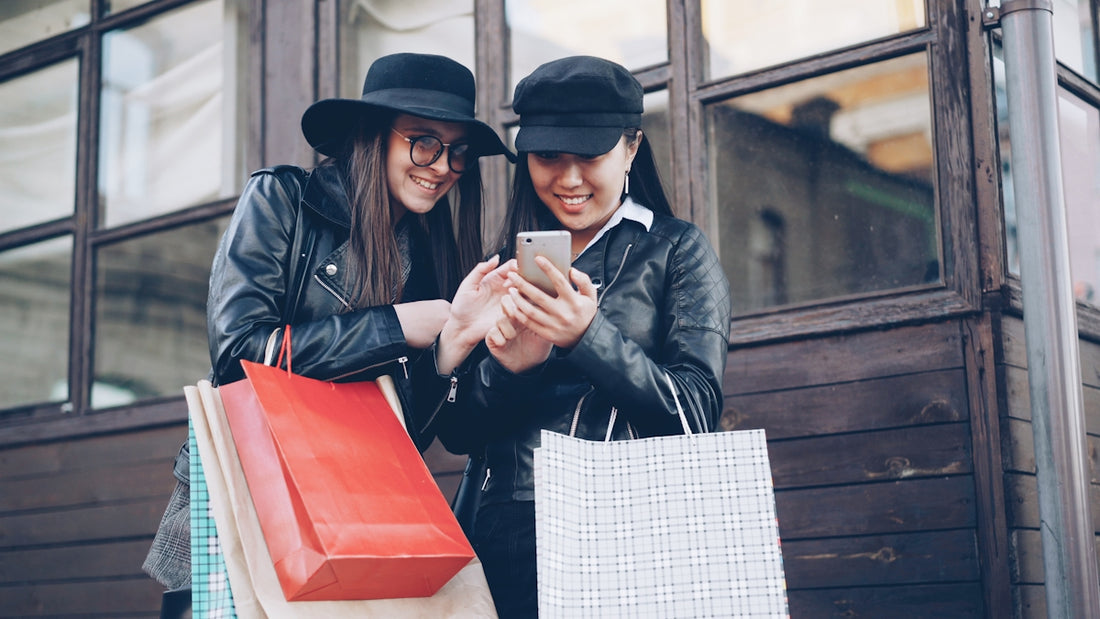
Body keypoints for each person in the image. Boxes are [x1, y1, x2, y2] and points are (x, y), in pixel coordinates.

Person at [142, 52, 513, 617]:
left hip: (354, 510)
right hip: (246, 493)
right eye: (423, 141)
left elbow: (402, 432)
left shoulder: (433, 256)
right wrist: (394, 325)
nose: (441, 166)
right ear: (373, 134)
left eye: (457, 151)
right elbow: (238, 354)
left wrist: (452, 345)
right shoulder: (283, 199)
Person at [431, 56, 733, 617]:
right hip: (506, 530)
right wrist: (511, 368)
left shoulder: (675, 249)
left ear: (632, 148)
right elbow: (459, 433)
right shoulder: (503, 268)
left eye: (589, 156)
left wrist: (586, 336)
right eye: (548, 157)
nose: (568, 180)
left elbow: (695, 413)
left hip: (628, 524)